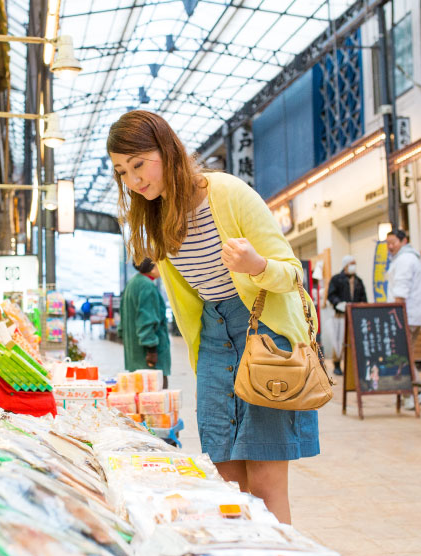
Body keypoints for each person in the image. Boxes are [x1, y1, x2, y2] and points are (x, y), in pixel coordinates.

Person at [108, 110, 319, 524]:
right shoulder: (158, 219)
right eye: (121, 171)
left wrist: (257, 265)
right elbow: (194, 303)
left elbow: (292, 272)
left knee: (265, 481)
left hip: (265, 340)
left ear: (166, 149)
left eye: (138, 164)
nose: (132, 180)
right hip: (214, 346)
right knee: (225, 483)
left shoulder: (226, 192)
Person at [385, 229, 421, 410]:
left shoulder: (405, 260)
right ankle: (414, 393)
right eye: (387, 243)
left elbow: (400, 293)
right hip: (412, 316)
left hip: (404, 317)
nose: (390, 246)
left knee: (404, 357)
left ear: (404, 241)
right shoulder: (411, 258)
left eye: (393, 242)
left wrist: (396, 319)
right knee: (406, 356)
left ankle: (415, 394)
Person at [118, 258, 172, 386]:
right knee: (155, 400)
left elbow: (122, 321)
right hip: (148, 362)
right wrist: (151, 350)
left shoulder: (132, 283)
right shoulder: (147, 286)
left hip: (134, 357)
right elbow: (147, 320)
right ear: (153, 268)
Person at [326, 255, 367, 375]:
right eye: (351, 264)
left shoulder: (359, 281)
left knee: (355, 340)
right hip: (340, 315)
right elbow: (331, 295)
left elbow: (363, 297)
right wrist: (339, 304)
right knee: (338, 340)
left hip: (355, 314)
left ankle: (355, 365)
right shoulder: (336, 279)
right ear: (345, 265)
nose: (353, 266)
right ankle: (337, 364)